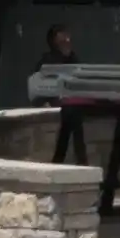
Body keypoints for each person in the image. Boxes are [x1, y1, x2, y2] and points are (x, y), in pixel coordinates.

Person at [37, 24, 87, 165]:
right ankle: (80, 162)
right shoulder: (47, 61)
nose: (67, 40)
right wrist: (44, 101)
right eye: (62, 38)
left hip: (71, 103)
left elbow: (79, 79)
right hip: (57, 103)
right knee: (71, 120)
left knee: (71, 120)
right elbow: (39, 84)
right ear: (54, 41)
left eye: (67, 38)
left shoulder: (73, 59)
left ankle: (66, 161)